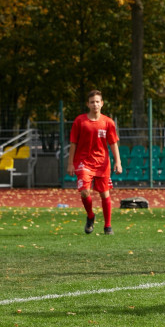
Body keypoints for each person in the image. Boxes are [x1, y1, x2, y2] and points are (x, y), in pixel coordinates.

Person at [67, 90, 122, 235]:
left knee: (104, 194)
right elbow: (73, 143)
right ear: (88, 104)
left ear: (102, 103)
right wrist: (70, 163)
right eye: (92, 102)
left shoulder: (108, 122)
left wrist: (118, 162)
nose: (95, 104)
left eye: (97, 101)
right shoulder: (80, 121)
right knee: (85, 192)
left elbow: (113, 143)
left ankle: (108, 226)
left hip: (102, 163)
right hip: (83, 162)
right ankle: (90, 215)